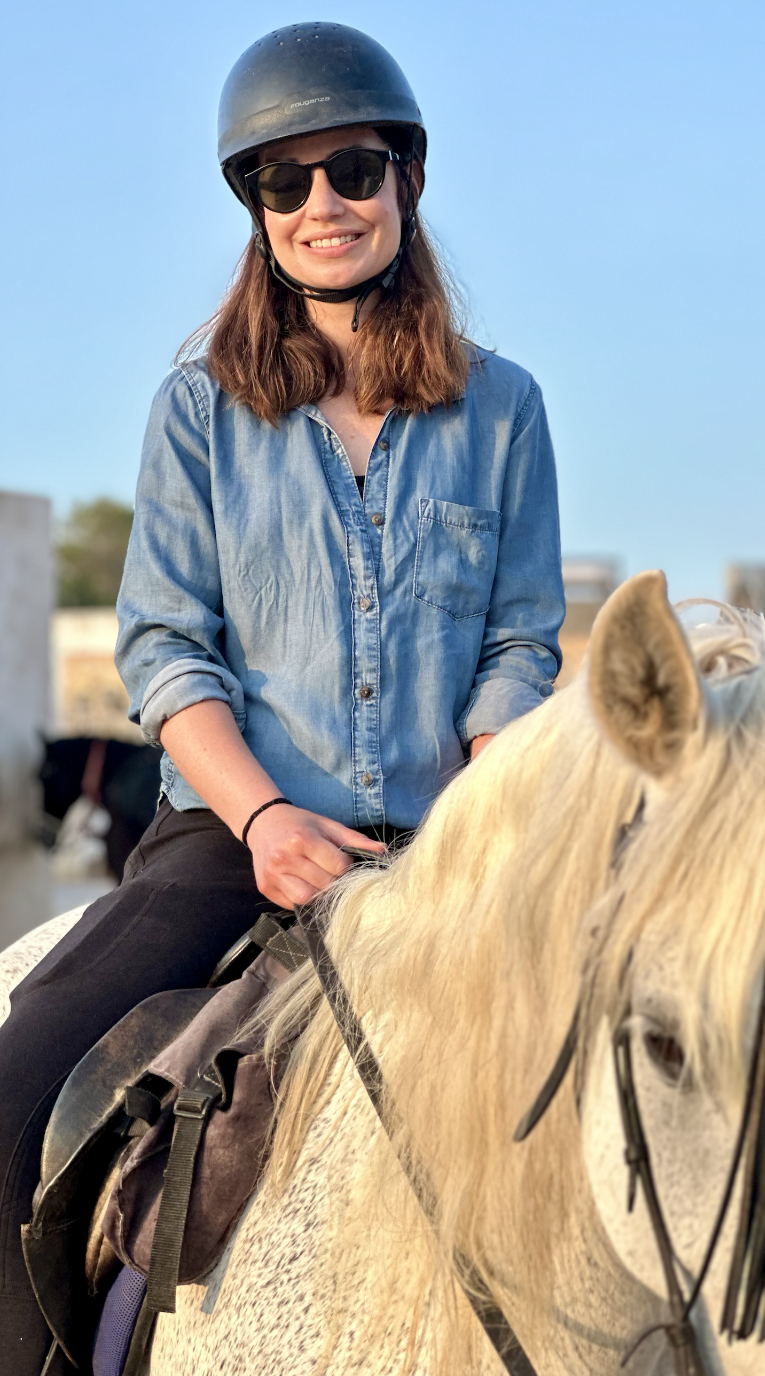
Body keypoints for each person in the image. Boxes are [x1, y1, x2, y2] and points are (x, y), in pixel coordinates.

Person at [0, 23, 564, 1372]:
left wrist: (487, 791)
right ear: (253, 207)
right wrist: (264, 824)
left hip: (450, 841)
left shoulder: (507, 411)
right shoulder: (197, 411)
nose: (323, 204)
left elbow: (521, 643)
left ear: (406, 179)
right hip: (234, 840)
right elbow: (167, 652)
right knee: (15, 1086)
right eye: (284, 181)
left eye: (352, 169)